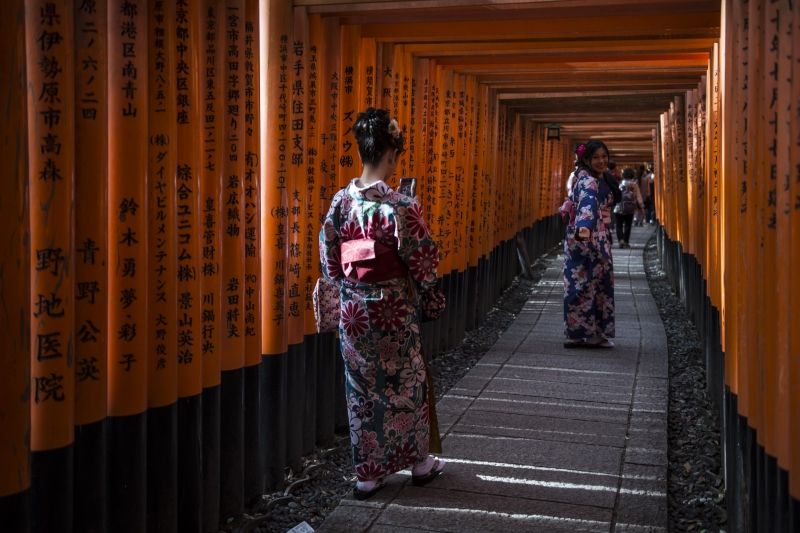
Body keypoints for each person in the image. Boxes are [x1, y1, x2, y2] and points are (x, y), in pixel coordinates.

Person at [319, 108, 446, 500]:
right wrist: (432, 298)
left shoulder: (340, 202)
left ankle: (368, 474)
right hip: (393, 307)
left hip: (354, 312)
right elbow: (424, 258)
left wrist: (347, 290)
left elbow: (328, 259)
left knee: (361, 388)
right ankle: (419, 462)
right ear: (392, 154)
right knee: (406, 381)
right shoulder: (400, 206)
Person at [563, 140, 615, 349]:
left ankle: (578, 332)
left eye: (604, 156)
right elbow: (586, 207)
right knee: (592, 284)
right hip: (589, 237)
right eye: (596, 157)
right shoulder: (588, 182)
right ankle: (591, 333)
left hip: (585, 235)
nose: (601, 161)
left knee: (580, 284)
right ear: (586, 159)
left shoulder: (584, 177)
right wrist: (584, 231)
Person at [613, 168, 643, 248]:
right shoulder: (634, 185)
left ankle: (620, 240)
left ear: (623, 175)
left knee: (618, 225)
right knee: (628, 225)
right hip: (630, 208)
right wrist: (641, 206)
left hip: (618, 208)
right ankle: (626, 241)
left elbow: (615, 195)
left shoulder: (620, 184)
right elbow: (638, 196)